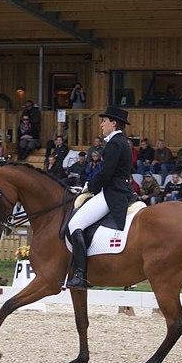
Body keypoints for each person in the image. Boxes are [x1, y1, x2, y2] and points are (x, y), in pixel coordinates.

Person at [66, 106, 133, 289]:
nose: (101, 124)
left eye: (104, 121)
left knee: (74, 224)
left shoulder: (115, 143)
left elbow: (107, 173)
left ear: (113, 123)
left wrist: (90, 186)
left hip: (112, 192)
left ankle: (80, 275)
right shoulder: (121, 142)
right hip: (117, 188)